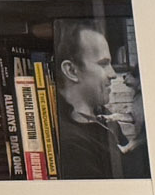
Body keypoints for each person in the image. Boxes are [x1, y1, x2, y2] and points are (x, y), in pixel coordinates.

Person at [49, 19, 148, 180]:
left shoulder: (103, 117)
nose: (113, 74)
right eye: (103, 64)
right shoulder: (72, 143)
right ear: (71, 70)